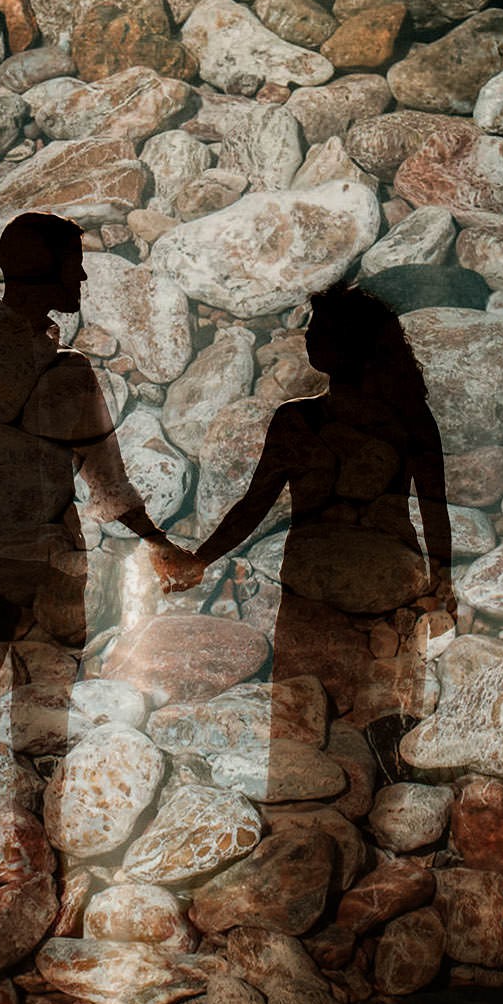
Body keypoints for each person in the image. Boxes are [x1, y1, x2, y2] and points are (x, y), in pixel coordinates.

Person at [0, 212, 190, 723]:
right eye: (74, 264)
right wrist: (157, 542)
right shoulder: (64, 370)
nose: (83, 277)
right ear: (44, 270)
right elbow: (108, 483)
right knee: (44, 729)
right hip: (47, 569)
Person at [160, 284, 453, 783]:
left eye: (319, 330)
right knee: (375, 728)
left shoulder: (299, 419)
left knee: (302, 725)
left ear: (351, 346)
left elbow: (254, 507)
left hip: (319, 590)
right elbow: (433, 513)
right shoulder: (405, 419)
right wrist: (443, 584)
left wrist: (203, 558)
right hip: (372, 587)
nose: (308, 337)